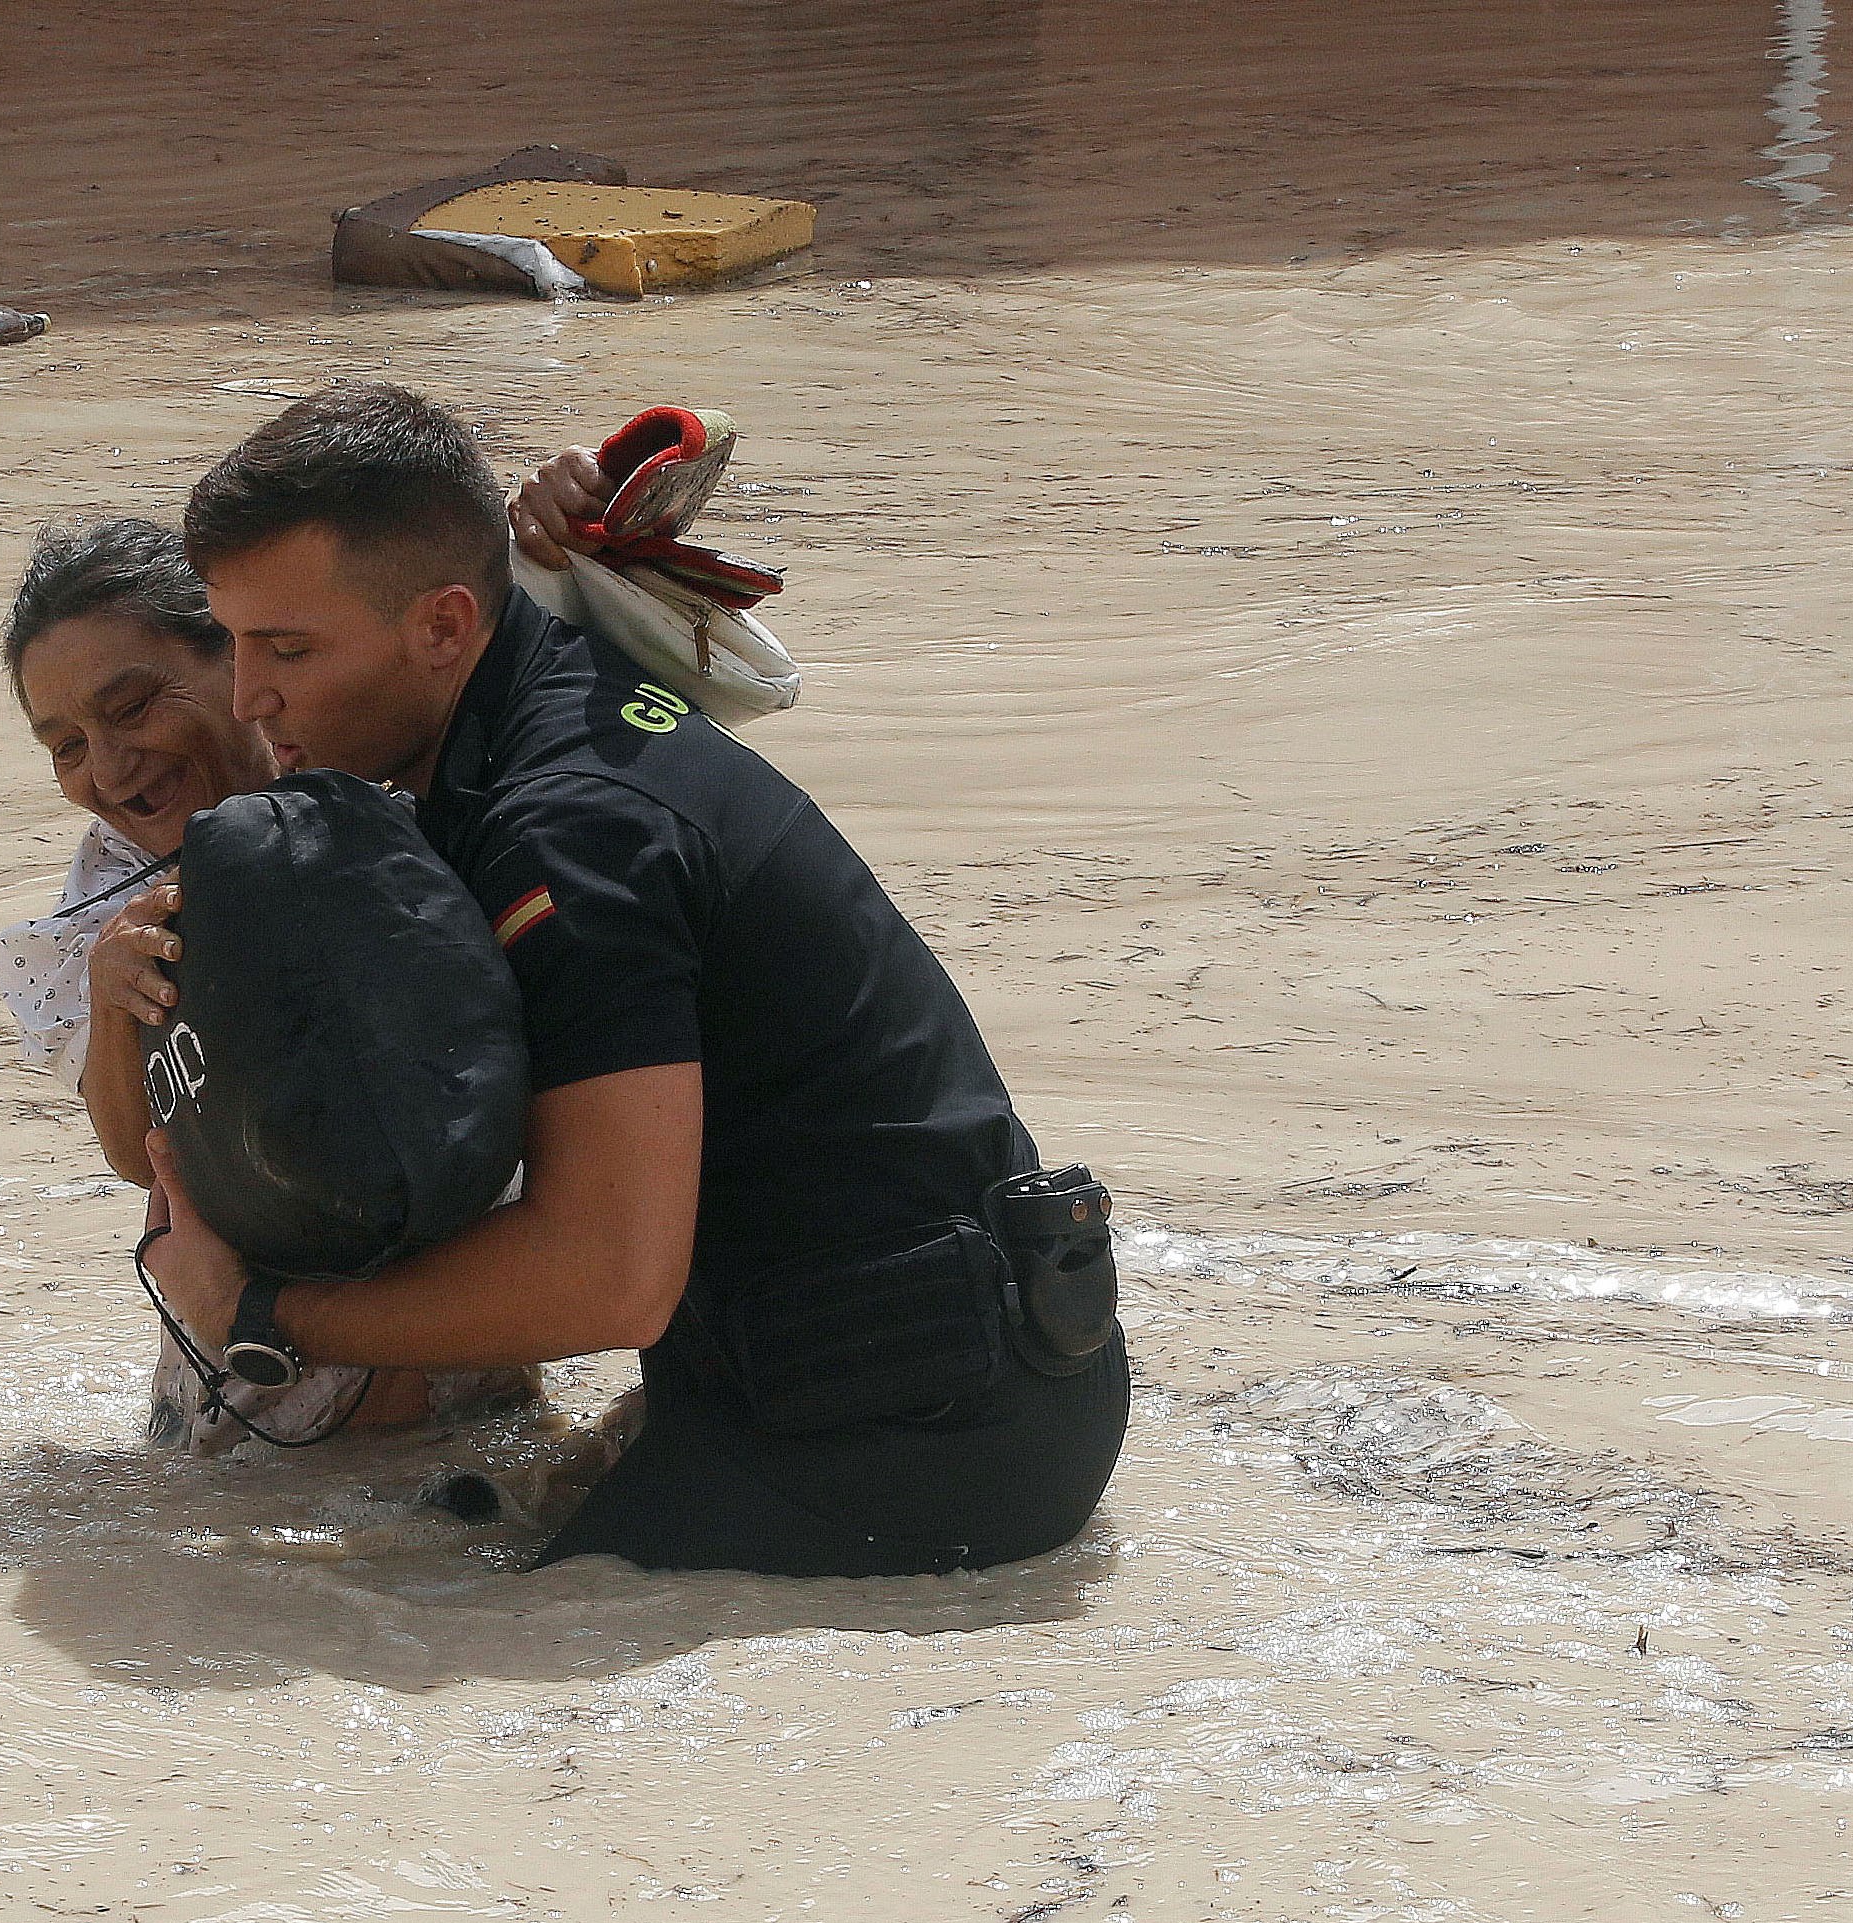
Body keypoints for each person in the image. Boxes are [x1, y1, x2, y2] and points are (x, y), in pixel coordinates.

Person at [121, 382, 1128, 1577]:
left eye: (287, 649)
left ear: (444, 626)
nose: (247, 698)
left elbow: (610, 1280)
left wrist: (261, 1319)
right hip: (928, 1369)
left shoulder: (573, 832)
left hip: (918, 1446)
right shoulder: (543, 704)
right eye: (231, 641)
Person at [0, 514, 531, 1449]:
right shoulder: (113, 889)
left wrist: (557, 529)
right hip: (231, 1387)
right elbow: (134, 1157)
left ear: (241, 665)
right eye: (65, 746)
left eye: (131, 708)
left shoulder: (385, 809)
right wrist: (115, 994)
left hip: (448, 1358)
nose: (110, 770)